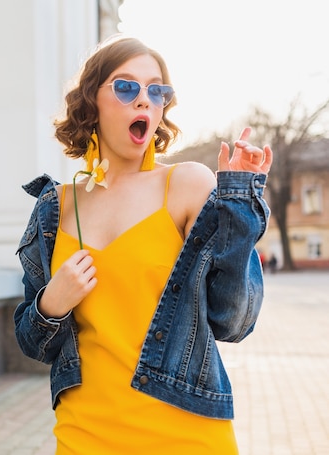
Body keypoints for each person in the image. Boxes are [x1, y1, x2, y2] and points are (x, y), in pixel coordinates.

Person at [14, 35, 272, 454]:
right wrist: (51, 305)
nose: (144, 101)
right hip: (84, 434)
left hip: (184, 434)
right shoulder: (53, 208)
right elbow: (32, 342)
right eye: (126, 86)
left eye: (157, 91)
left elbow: (233, 321)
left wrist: (238, 206)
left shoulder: (187, 185)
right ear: (90, 101)